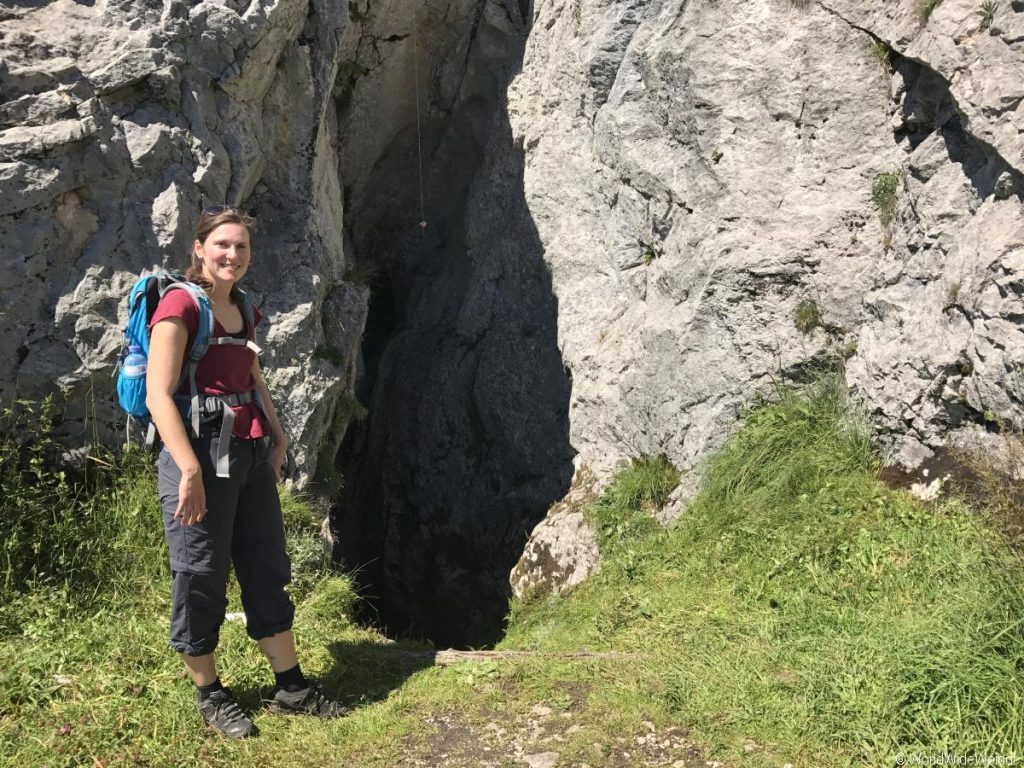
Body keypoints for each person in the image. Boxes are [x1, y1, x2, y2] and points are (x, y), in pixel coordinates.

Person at [146, 206, 347, 739]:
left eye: (241, 247)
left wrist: (278, 436)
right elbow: (158, 394)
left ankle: (292, 687)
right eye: (222, 245)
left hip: (249, 451)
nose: (232, 255)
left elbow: (252, 375)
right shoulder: (178, 307)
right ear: (199, 248)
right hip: (200, 454)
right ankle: (210, 694)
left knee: (265, 563)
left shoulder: (242, 306)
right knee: (200, 573)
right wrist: (188, 468)